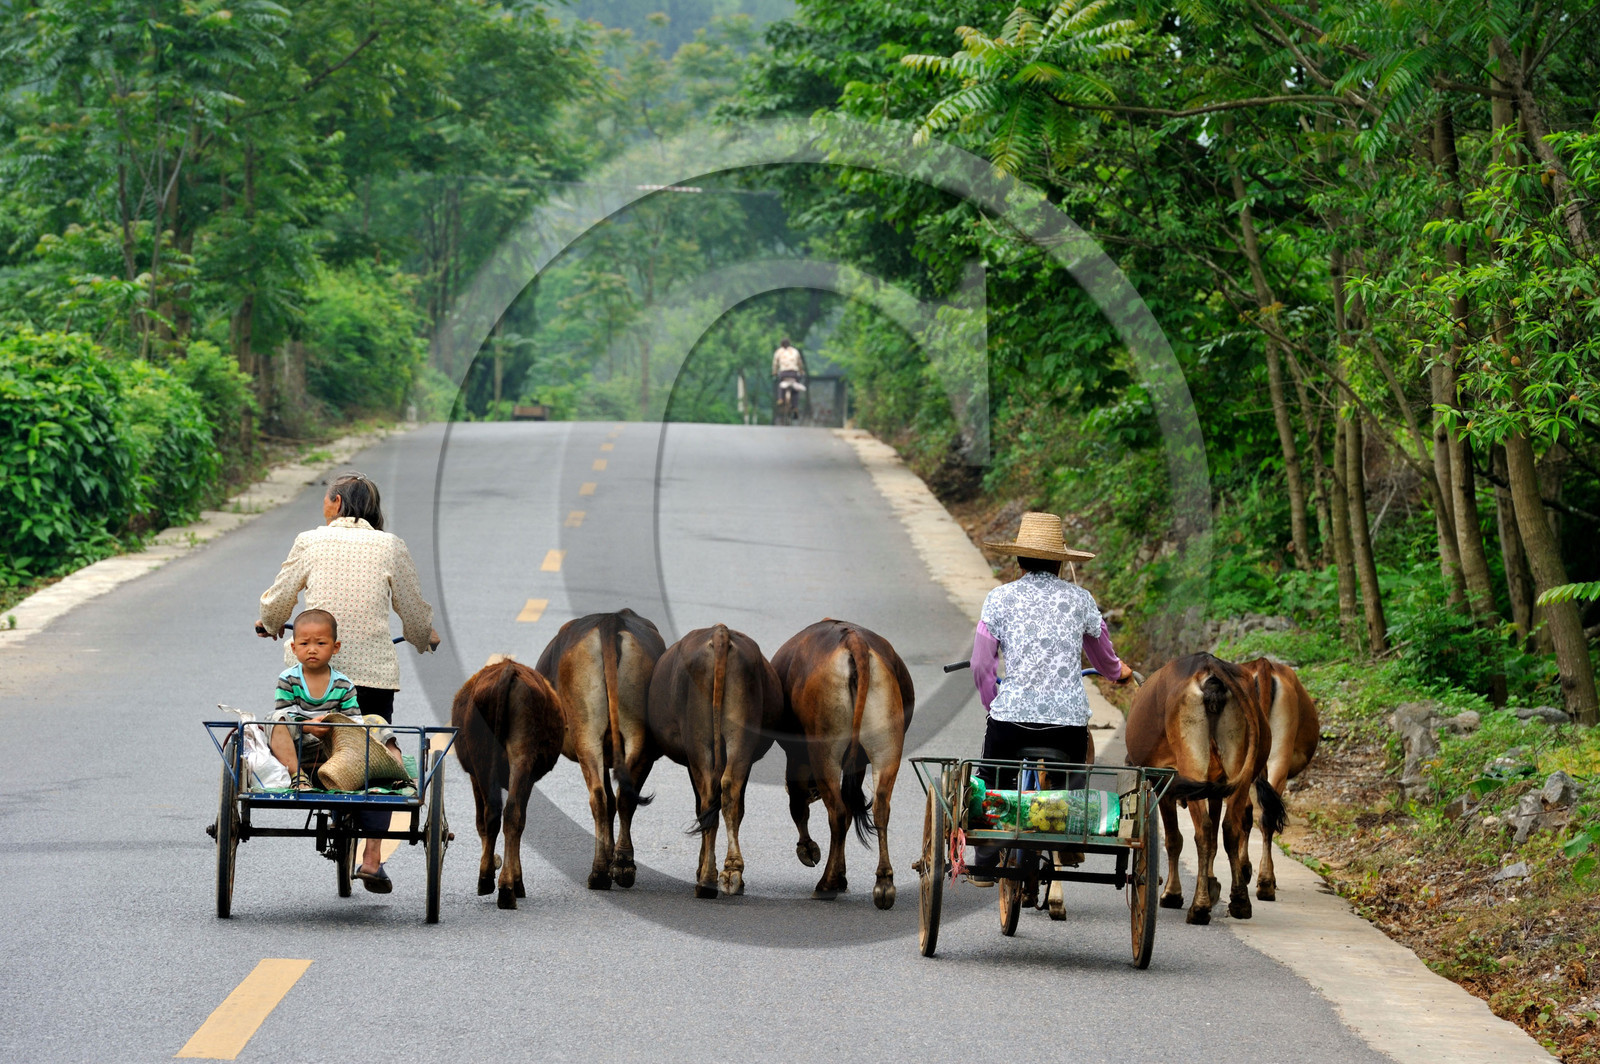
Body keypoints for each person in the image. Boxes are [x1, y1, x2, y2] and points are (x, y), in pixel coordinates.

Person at [256, 472, 440, 894]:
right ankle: (372, 858)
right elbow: (412, 611)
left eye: (325, 499)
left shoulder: (311, 540)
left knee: (295, 725)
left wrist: (268, 624)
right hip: (371, 676)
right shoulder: (391, 546)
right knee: (375, 757)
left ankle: (304, 777)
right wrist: (423, 637)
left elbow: (278, 600)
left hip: (311, 677)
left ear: (336, 503)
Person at [967, 511, 1132, 881]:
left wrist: (993, 702)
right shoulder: (1081, 600)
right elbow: (1105, 661)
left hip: (1012, 721)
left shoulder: (999, 598)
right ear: (1061, 561)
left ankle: (986, 860)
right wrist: (1119, 673)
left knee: (993, 779)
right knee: (1067, 787)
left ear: (1019, 559)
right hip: (1066, 725)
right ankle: (1067, 838)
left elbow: (981, 665)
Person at [265, 608, 400, 794]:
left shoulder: (343, 684)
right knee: (276, 718)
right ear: (294, 648)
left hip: (336, 748)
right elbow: (287, 715)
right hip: (299, 744)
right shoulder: (288, 679)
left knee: (377, 721)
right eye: (304, 644)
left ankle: (398, 774)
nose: (312, 649)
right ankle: (297, 775)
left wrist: (333, 729)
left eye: (321, 643)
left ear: (335, 647)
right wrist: (308, 726)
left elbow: (354, 723)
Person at [771, 337, 807, 421]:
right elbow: (800, 363)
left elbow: (775, 364)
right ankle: (795, 407)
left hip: (783, 373)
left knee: (780, 385)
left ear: (781, 344)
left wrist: (774, 372)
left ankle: (780, 398)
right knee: (795, 390)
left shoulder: (778, 352)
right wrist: (801, 371)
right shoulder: (795, 351)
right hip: (794, 374)